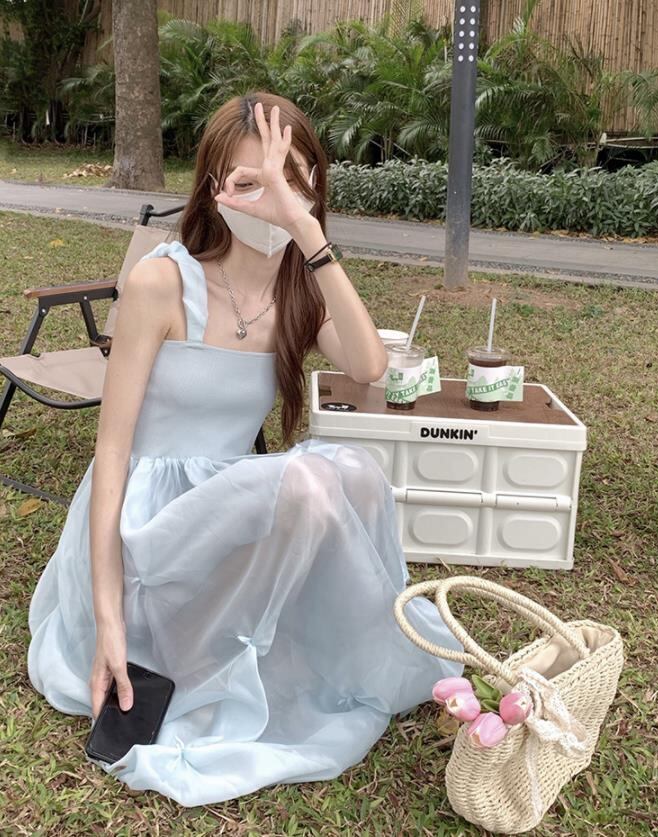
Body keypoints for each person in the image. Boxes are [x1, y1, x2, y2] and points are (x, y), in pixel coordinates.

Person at [26, 91, 463, 807]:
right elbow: (112, 453)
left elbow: (369, 365)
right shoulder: (163, 281)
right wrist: (107, 621)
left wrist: (306, 231)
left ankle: (324, 642)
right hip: (146, 524)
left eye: (291, 178)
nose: (271, 200)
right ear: (214, 189)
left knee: (353, 475)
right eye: (250, 181)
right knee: (310, 481)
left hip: (225, 508)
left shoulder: (299, 293)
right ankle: (184, 642)